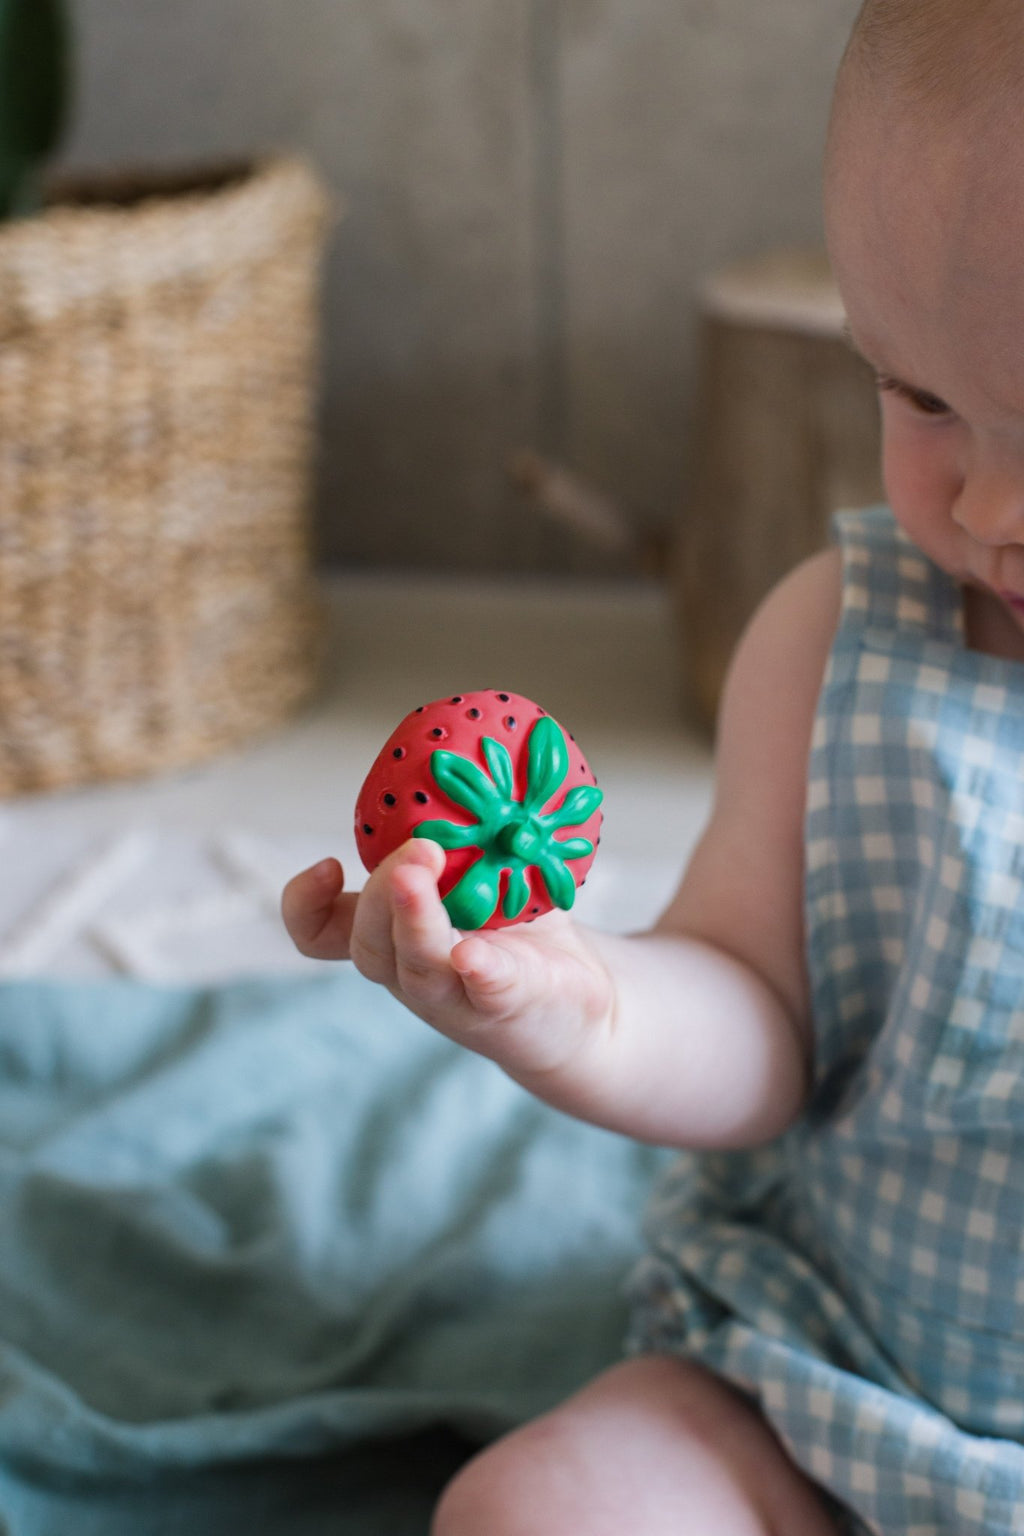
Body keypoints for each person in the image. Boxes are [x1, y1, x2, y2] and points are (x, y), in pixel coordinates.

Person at [282, 2, 1024, 1529]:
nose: (992, 505)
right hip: (837, 1380)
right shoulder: (841, 652)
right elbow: (757, 1014)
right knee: (541, 1509)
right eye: (924, 397)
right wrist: (588, 1005)